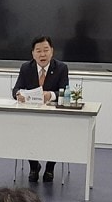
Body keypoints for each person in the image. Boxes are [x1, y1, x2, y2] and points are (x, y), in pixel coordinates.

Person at [11, 36, 69, 183]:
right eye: (38, 51)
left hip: (54, 115)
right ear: (33, 53)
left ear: (52, 52)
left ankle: (50, 168)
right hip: (32, 115)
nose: (42, 55)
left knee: (56, 134)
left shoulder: (61, 68)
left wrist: (50, 95)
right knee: (28, 133)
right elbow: (16, 89)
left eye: (45, 50)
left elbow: (63, 91)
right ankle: (34, 166)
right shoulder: (26, 67)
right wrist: (19, 94)